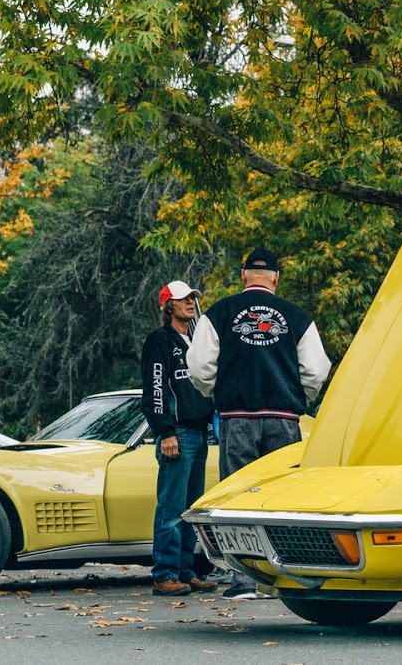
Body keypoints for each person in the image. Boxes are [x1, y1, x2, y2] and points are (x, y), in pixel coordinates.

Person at [188, 248, 331, 601]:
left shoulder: (220, 313)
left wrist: (216, 392)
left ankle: (243, 582)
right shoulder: (296, 316)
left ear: (243, 276)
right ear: (276, 278)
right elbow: (316, 370)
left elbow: (200, 367)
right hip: (284, 419)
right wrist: (296, 396)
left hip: (237, 418)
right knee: (283, 498)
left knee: (238, 497)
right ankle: (281, 579)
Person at [140, 280, 218, 597]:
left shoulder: (196, 341)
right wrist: (165, 431)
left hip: (199, 433)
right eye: (183, 298)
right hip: (177, 433)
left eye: (192, 298)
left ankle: (185, 572)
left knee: (189, 510)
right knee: (171, 509)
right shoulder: (160, 340)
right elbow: (155, 386)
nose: (190, 302)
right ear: (168, 305)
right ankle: (165, 574)